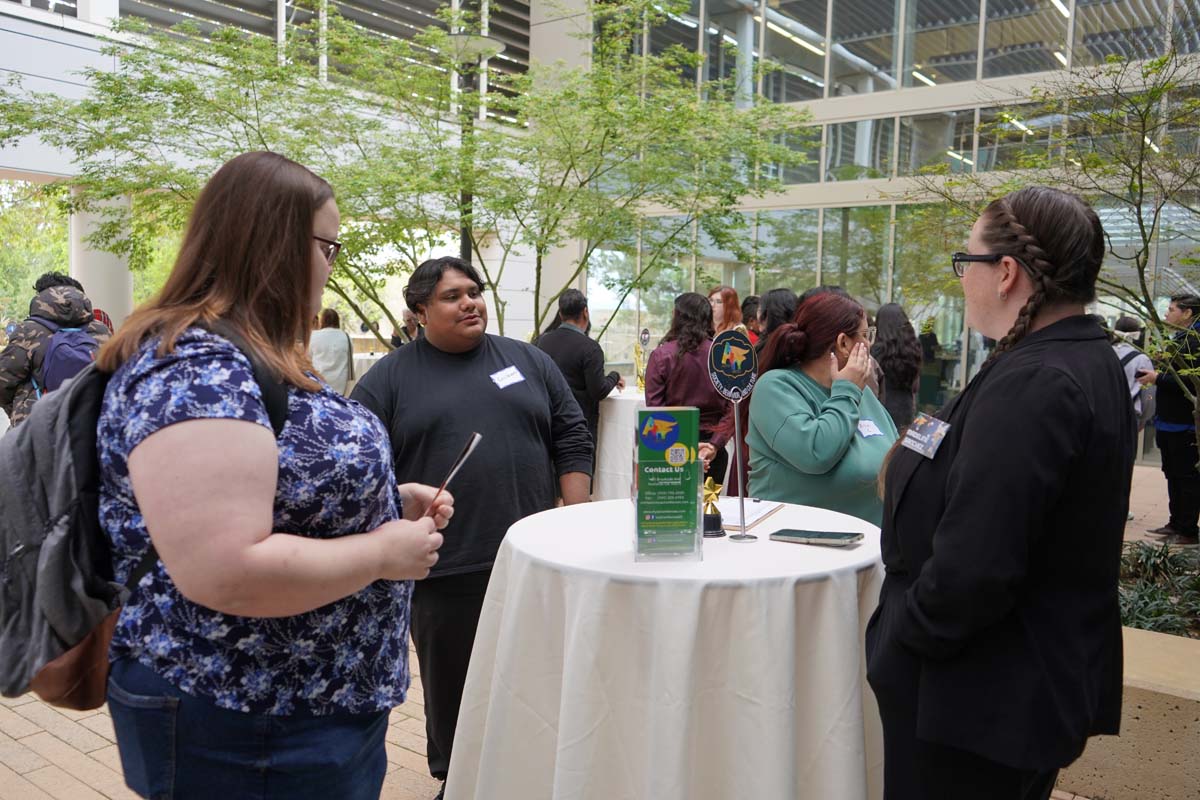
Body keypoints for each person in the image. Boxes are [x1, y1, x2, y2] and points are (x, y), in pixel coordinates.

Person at [95, 151, 451, 800]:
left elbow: (272, 487)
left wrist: (382, 501)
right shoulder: (196, 370)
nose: (330, 266)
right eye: (328, 247)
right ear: (275, 245)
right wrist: (380, 551)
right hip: (247, 724)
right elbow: (225, 568)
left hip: (299, 718)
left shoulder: (248, 351)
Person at [867, 186, 1133, 800]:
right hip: (1007, 690)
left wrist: (905, 640)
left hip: (976, 701)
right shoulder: (1077, 359)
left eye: (967, 262)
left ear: (1006, 272)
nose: (963, 279)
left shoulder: (1039, 381)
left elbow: (976, 567)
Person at [351, 256, 593, 799]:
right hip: (445, 568)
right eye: (452, 296)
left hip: (533, 559)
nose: (470, 302)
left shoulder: (527, 360)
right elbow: (359, 475)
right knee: (455, 688)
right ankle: (456, 782)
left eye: (474, 291)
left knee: (537, 679)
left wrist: (573, 529)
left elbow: (572, 437)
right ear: (418, 311)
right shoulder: (387, 380)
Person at [745, 291, 896, 525]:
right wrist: (846, 391)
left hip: (866, 548)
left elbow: (891, 452)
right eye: (866, 335)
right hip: (795, 547)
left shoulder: (859, 390)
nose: (869, 344)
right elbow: (817, 453)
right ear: (843, 343)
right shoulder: (775, 387)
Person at [0, 272, 112, 428]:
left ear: (42, 296)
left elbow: (3, 380)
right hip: (90, 425)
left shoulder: (28, 331)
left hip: (37, 429)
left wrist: (18, 408)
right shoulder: (101, 330)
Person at [646, 293, 733, 483]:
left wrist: (685, 448)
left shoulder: (661, 356)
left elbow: (655, 410)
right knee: (708, 510)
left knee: (673, 508)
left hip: (672, 449)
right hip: (713, 451)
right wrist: (713, 445)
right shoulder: (722, 355)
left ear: (677, 317)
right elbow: (733, 407)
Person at [1137, 294, 1200, 545]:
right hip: (1169, 420)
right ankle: (1175, 522)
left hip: (1184, 423)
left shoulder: (1194, 341)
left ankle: (1187, 530)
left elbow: (1191, 383)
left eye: (1171, 309)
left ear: (1187, 313)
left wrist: (1157, 377)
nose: (1166, 314)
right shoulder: (1182, 339)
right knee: (1173, 473)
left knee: (1185, 477)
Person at [535, 289, 624, 461]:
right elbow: (598, 391)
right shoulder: (590, 348)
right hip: (578, 426)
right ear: (585, 311)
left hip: (548, 422)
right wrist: (614, 376)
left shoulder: (543, 341)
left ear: (560, 313)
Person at [871, 303, 922, 429]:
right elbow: (915, 384)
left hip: (882, 409)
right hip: (907, 407)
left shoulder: (877, 350)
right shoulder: (913, 347)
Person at [1112, 315, 1152, 426]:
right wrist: (1144, 419)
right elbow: (1148, 394)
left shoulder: (1102, 354)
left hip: (1103, 413)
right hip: (1130, 415)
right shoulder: (1142, 360)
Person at [309, 307, 355, 394]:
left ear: (322, 321)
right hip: (340, 384)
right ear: (337, 321)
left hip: (319, 381)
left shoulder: (313, 336)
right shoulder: (346, 337)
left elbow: (308, 359)